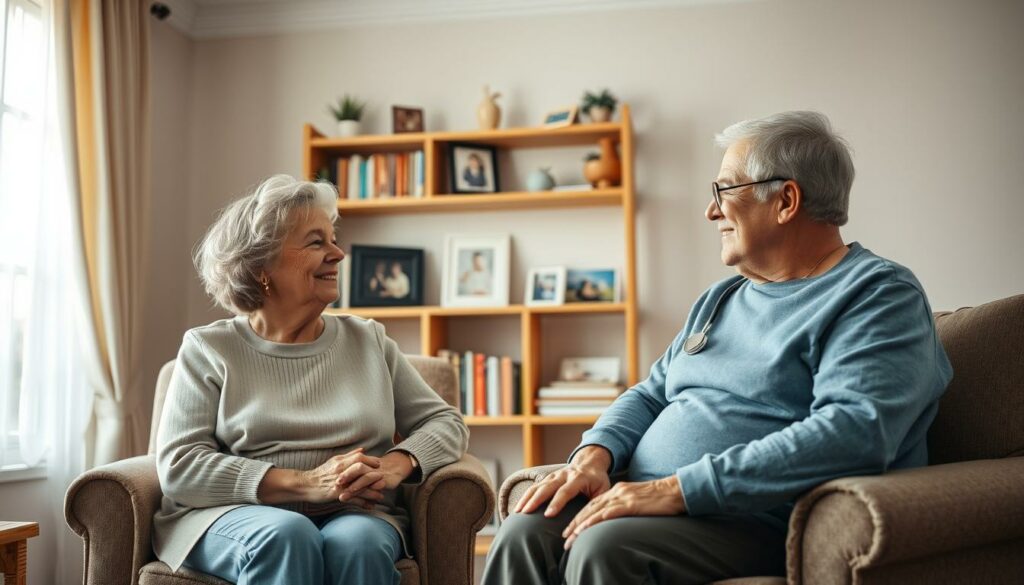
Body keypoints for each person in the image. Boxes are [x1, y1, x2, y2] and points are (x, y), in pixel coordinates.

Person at [482, 111, 953, 584]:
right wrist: (594, 455)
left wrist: (678, 490)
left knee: (606, 547)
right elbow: (651, 394)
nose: (711, 212)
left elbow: (855, 430)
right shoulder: (722, 297)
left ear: (786, 200)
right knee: (524, 531)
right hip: (652, 502)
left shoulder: (875, 294)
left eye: (724, 191)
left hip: (752, 516)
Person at [154, 174, 469, 585]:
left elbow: (446, 424)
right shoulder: (209, 349)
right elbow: (180, 466)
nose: (338, 253)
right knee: (286, 535)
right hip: (234, 515)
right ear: (261, 265)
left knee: (358, 544)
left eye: (333, 238)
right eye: (316, 242)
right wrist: (305, 484)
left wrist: (395, 466)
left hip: (354, 515)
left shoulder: (368, 340)